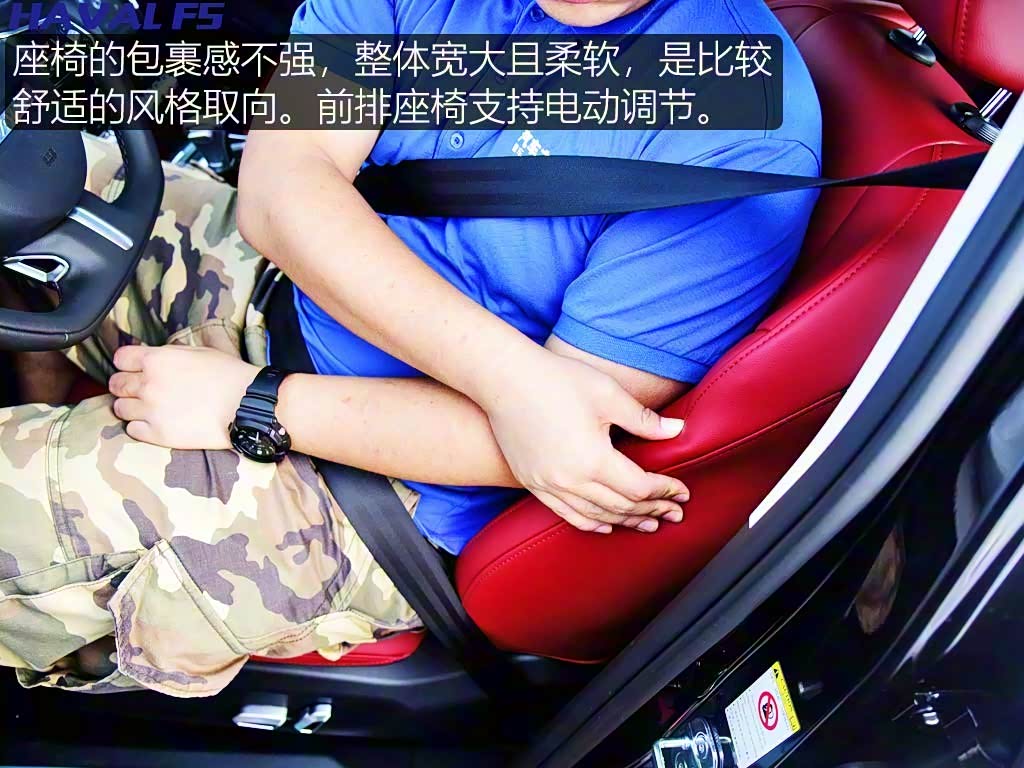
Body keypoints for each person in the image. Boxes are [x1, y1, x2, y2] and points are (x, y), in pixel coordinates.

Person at [0, 0, 822, 697]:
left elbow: (562, 446)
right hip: (291, 290)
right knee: (39, 172)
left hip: (388, 483)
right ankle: (50, 375)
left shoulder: (742, 134)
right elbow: (286, 176)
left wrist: (254, 401)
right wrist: (512, 377)